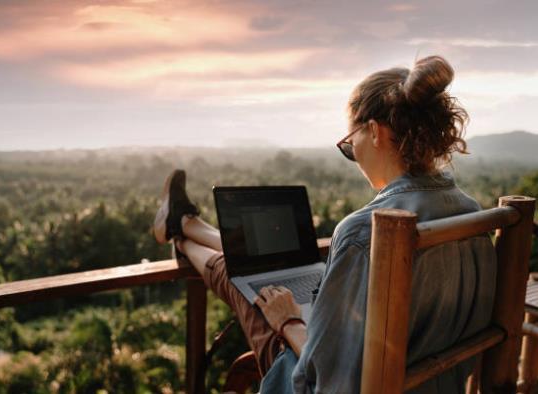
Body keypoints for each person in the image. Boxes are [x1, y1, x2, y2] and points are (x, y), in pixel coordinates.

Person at [153, 55, 496, 393]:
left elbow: (331, 381)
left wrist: (288, 321)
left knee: (243, 276)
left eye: (350, 144)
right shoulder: (472, 214)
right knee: (255, 269)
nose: (354, 156)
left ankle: (181, 233)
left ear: (374, 132)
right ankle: (185, 225)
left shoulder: (365, 232)